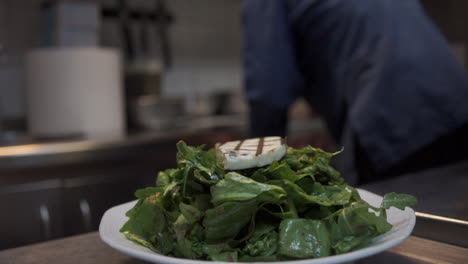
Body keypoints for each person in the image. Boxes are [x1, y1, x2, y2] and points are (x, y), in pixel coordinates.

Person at [242, 0, 468, 184]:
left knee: (384, 221)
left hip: (387, 115)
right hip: (454, 104)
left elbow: (268, 93)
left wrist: (258, 175)